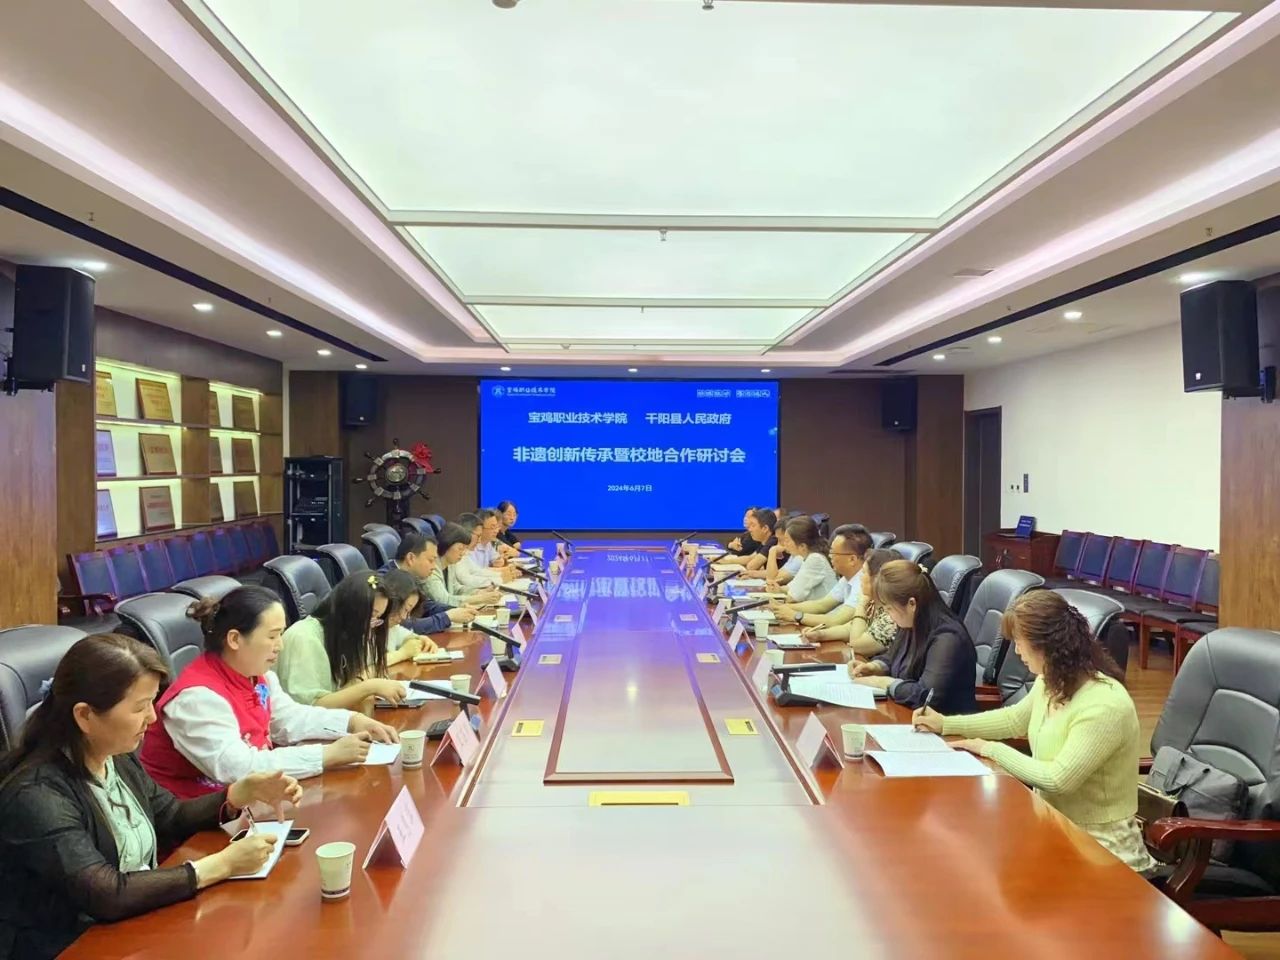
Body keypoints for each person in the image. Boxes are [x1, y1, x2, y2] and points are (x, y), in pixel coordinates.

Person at [0, 634, 303, 959]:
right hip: (72, 946)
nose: (153, 717)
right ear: (85, 715)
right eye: (139, 707)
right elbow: (106, 893)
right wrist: (222, 865)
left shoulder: (115, 756)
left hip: (133, 927)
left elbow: (169, 815)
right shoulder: (36, 794)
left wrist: (235, 796)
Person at [913, 591, 1155, 873]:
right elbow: (1014, 720)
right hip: (1053, 826)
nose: (1017, 652)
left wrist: (989, 748)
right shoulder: (1052, 680)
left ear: (1045, 646)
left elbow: (1058, 779)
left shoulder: (1105, 704)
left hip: (1102, 850)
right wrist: (945, 724)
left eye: (1019, 642)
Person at [141, 586, 398, 798]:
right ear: (234, 639)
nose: (280, 645)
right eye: (273, 636)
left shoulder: (256, 674)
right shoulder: (196, 698)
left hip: (249, 804)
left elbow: (288, 719)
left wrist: (351, 721)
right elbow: (240, 768)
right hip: (197, 823)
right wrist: (326, 755)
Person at [850, 559, 977, 713]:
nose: (889, 615)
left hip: (944, 723)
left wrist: (882, 682)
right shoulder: (910, 622)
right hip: (906, 714)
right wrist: (874, 667)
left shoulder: (948, 638)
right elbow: (892, 656)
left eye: (889, 608)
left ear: (912, 604)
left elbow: (926, 696)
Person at [276, 572, 410, 709]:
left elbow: (364, 669)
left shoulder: (345, 633)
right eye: (371, 615)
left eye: (378, 618)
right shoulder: (303, 638)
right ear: (349, 608)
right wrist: (370, 687)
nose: (372, 625)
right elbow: (312, 708)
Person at [772, 524, 872, 630]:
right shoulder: (847, 578)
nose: (830, 556)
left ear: (852, 559)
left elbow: (836, 621)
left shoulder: (863, 583)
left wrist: (795, 615)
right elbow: (821, 605)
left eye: (833, 552)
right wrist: (782, 608)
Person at [802, 548, 898, 656]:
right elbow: (850, 628)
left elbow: (856, 645)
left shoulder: (892, 616)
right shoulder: (873, 603)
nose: (860, 577)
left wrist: (861, 605)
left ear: (877, 579)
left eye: (864, 572)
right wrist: (820, 634)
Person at [377, 532, 478, 632]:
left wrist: (455, 609)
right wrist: (447, 617)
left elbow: (425, 605)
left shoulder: (410, 576)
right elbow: (401, 624)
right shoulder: (386, 582)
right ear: (411, 558)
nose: (434, 567)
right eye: (431, 560)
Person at [427, 520, 502, 608]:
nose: (463, 553)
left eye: (465, 549)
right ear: (447, 544)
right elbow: (444, 600)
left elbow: (457, 589)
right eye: (460, 548)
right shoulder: (431, 568)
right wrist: (480, 599)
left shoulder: (450, 565)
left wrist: (478, 592)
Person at [381, 568, 443, 665]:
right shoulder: (369, 625)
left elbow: (405, 635)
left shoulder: (392, 627)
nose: (404, 617)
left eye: (409, 612)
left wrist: (420, 639)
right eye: (405, 609)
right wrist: (402, 653)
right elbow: (367, 667)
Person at [778, 516, 837, 603]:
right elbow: (793, 587)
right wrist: (778, 589)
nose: (784, 544)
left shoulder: (815, 559)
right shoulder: (808, 557)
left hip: (822, 611)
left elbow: (794, 597)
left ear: (802, 546)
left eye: (787, 540)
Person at [453, 512, 519, 588]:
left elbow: (477, 571)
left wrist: (502, 575)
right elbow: (466, 580)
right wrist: (500, 579)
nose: (479, 541)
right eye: (478, 536)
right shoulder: (456, 552)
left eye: (497, 527)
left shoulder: (466, 552)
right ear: (467, 533)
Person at [763, 514, 799, 586]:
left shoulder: (799, 558)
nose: (778, 544)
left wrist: (772, 550)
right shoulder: (793, 556)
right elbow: (773, 576)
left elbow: (771, 579)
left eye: (780, 539)